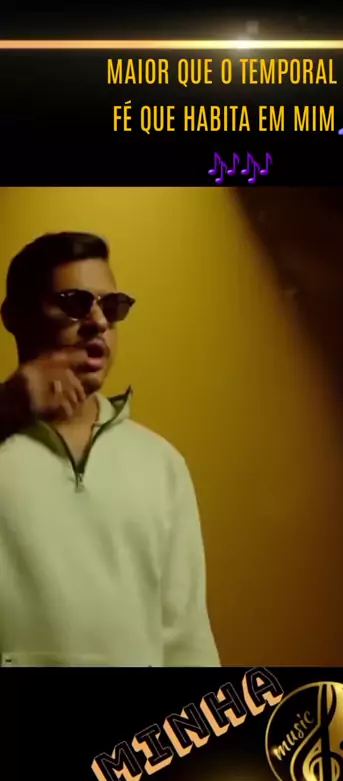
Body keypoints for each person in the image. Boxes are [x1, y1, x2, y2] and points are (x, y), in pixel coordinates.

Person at [0, 231, 220, 667]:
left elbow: (187, 638)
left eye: (113, 306)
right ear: (15, 316)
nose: (99, 322)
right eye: (75, 302)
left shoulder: (160, 464)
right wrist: (6, 408)